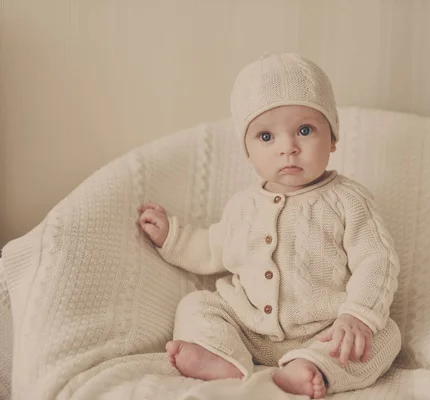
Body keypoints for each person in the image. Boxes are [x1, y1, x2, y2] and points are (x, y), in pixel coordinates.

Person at [138, 53, 402, 399]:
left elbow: (376, 261)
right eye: (266, 137)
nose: (288, 148)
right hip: (248, 326)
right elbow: (212, 249)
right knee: (197, 304)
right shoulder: (242, 205)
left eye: (305, 131)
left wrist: (357, 316)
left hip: (324, 330)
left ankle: (312, 366)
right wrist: (172, 236)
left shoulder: (348, 200)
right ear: (247, 151)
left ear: (333, 138)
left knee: (386, 336)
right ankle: (222, 355)